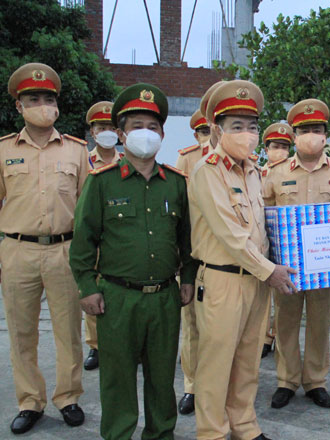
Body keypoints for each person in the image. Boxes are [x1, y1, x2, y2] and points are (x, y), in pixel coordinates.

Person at [69, 83, 196, 440]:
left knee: (161, 377)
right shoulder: (102, 183)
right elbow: (83, 240)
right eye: (136, 126)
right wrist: (87, 286)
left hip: (163, 298)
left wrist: (187, 277)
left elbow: (188, 239)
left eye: (152, 127)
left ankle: (161, 434)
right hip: (117, 298)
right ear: (122, 135)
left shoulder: (175, 183)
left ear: (162, 134)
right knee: (117, 377)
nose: (145, 133)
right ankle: (118, 434)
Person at [188, 79, 295, 440]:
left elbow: (260, 230)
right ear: (217, 129)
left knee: (248, 361)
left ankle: (244, 426)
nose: (247, 134)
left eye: (252, 126)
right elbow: (230, 235)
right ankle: (212, 432)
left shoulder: (253, 171)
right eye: (237, 126)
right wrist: (270, 270)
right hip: (222, 280)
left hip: (256, 280)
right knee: (217, 364)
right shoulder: (207, 170)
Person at [0, 62, 89, 434]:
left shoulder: (76, 151)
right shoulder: (4, 150)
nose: (42, 104)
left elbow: (87, 210)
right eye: (33, 98)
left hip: (64, 251)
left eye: (48, 98)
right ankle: (30, 401)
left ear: (57, 104)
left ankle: (68, 397)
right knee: (21, 331)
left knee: (69, 330)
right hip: (17, 249)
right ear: (19, 106)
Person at [263, 98, 330, 409]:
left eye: (317, 129)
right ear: (293, 134)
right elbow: (262, 214)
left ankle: (316, 381)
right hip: (286, 267)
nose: (311, 135)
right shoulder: (275, 173)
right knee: (286, 323)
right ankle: (286, 381)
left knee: (319, 324)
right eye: (304, 130)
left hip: (325, 267)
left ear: (326, 135)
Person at [174, 108, 211, 416]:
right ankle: (192, 386)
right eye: (202, 133)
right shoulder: (186, 160)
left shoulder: (245, 161)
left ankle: (220, 384)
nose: (208, 139)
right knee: (193, 326)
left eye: (212, 130)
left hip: (229, 260)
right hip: (194, 256)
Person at [82, 100, 123, 371]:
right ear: (92, 131)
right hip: (94, 237)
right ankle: (96, 345)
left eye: (111, 126)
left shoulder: (128, 161)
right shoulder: (83, 161)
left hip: (120, 238)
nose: (106, 131)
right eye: (101, 127)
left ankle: (123, 341)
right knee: (93, 288)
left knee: (121, 291)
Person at [260, 122, 294, 358]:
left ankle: (271, 335)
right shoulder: (255, 170)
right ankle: (264, 336)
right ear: (266, 148)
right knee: (264, 299)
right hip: (263, 246)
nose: (280, 151)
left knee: (282, 303)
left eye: (284, 146)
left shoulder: (290, 173)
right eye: (275, 146)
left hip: (285, 251)